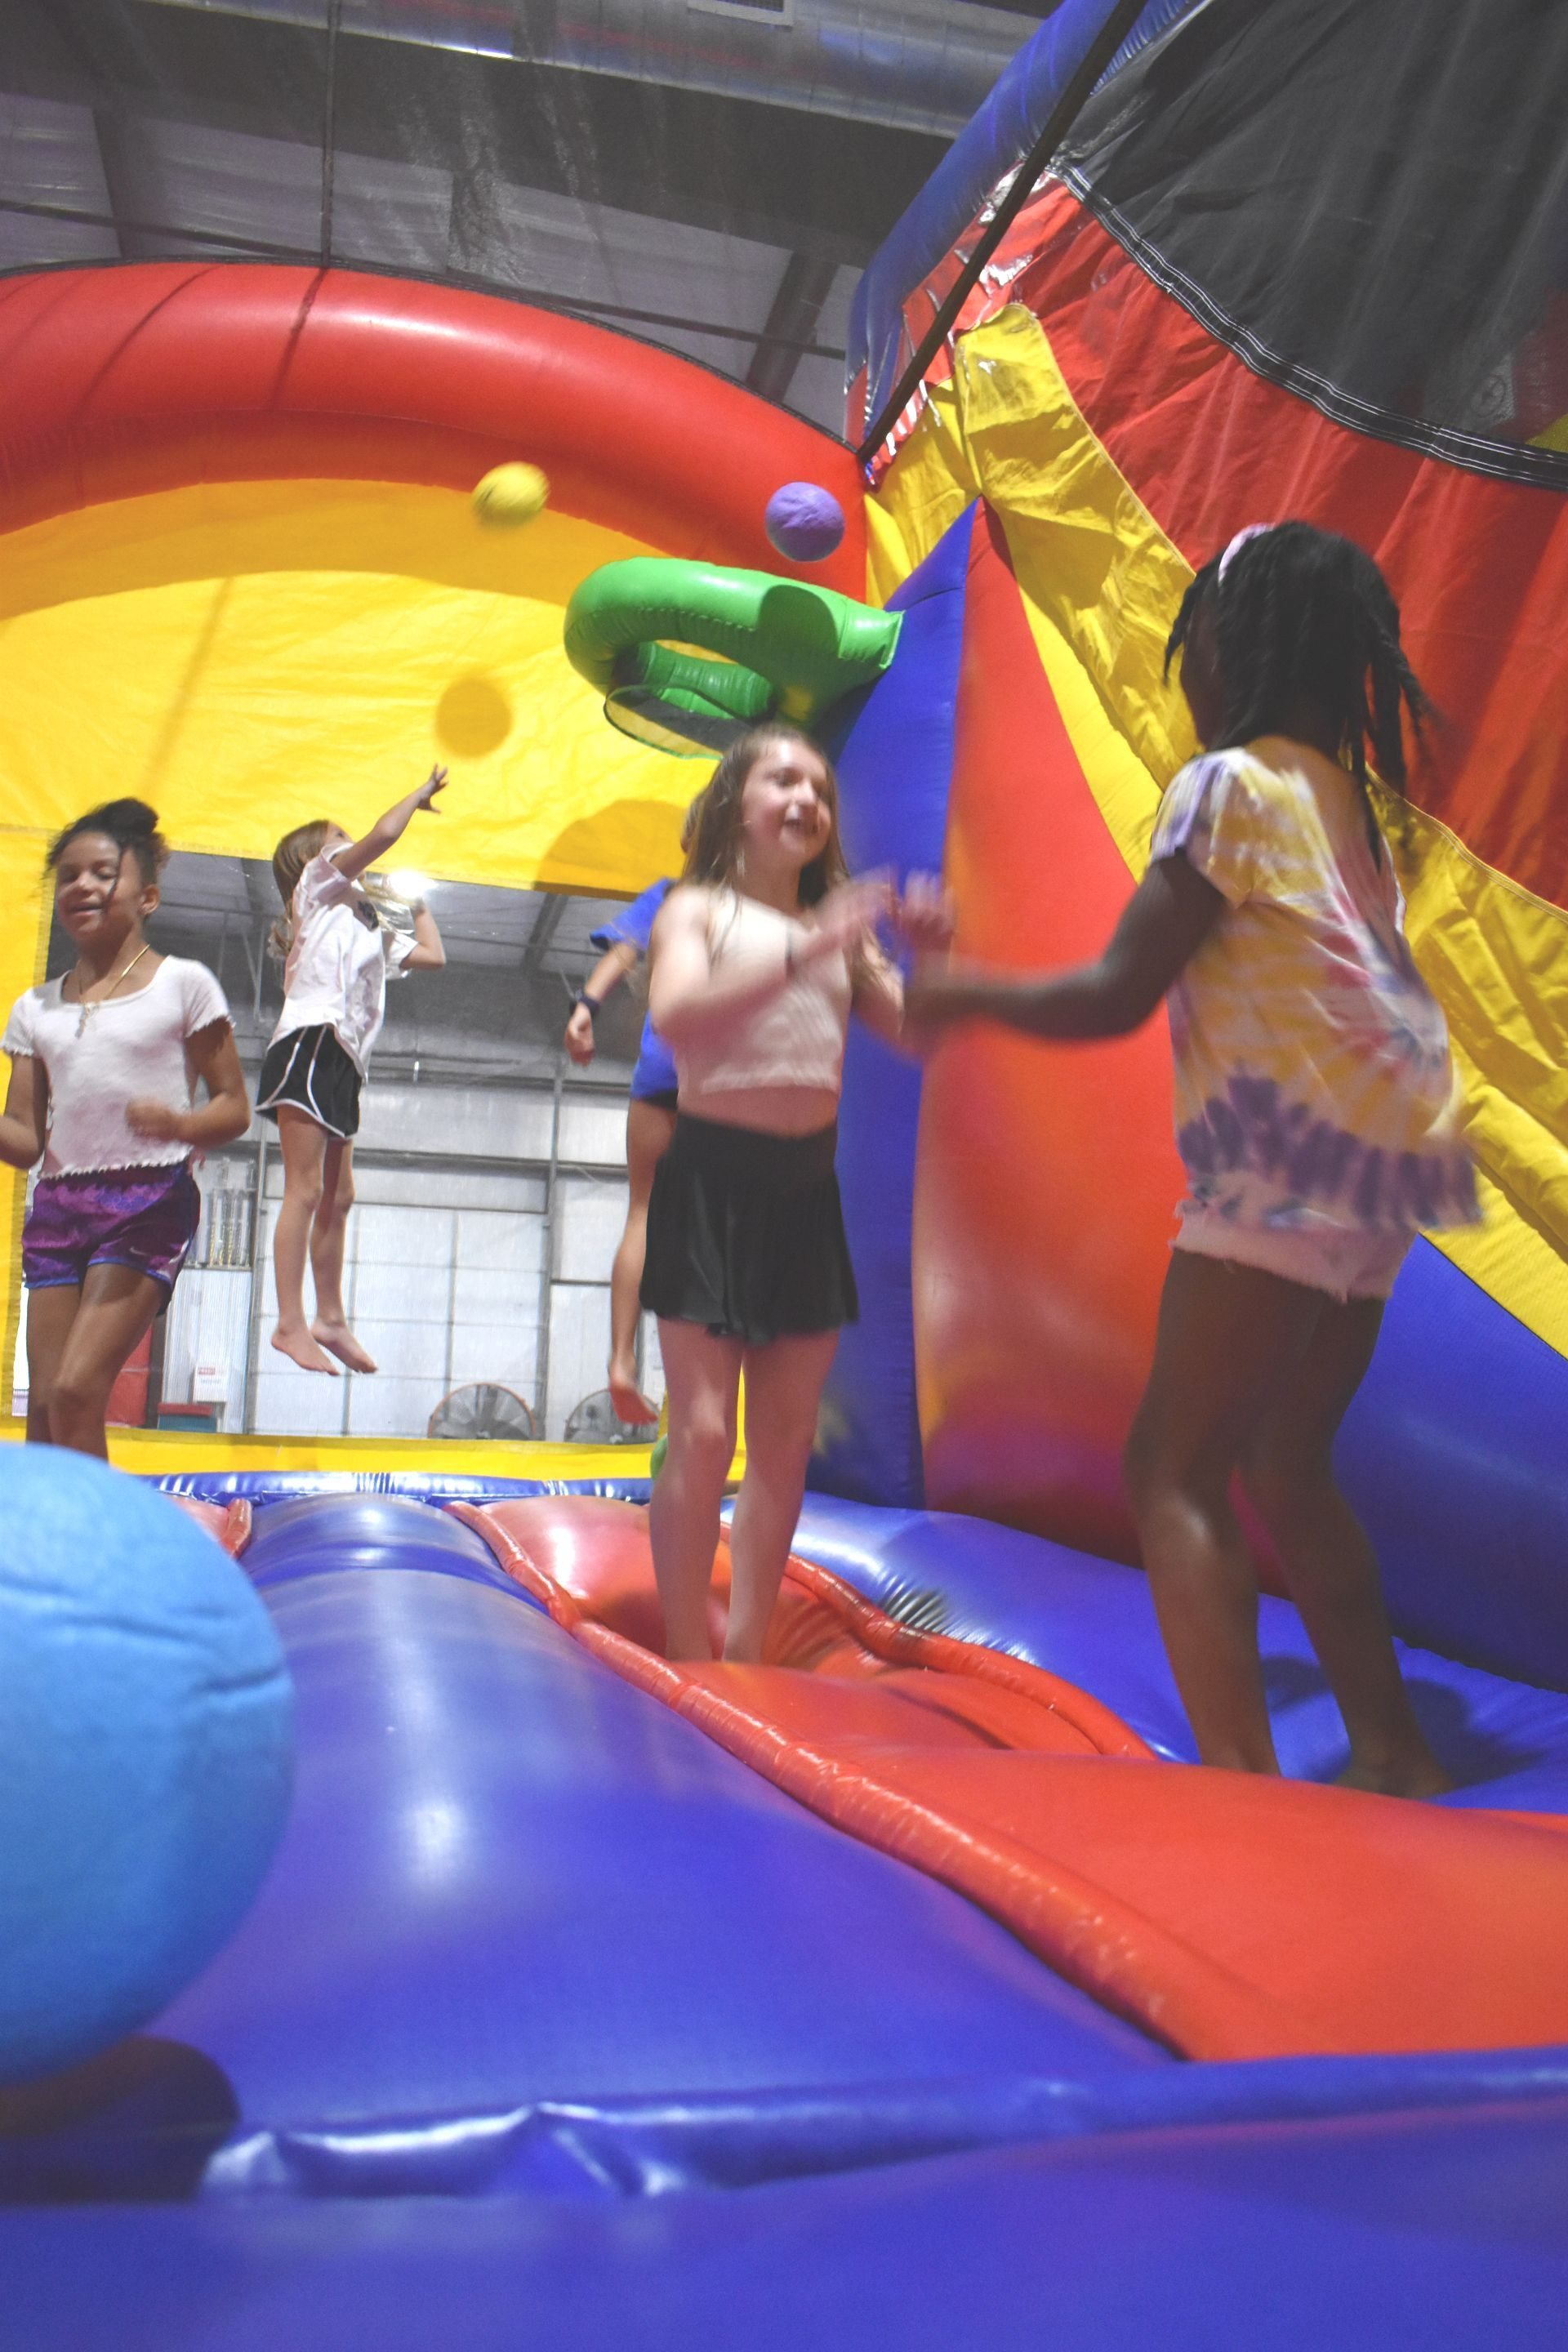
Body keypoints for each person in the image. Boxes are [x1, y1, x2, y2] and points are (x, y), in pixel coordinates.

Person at [910, 522, 1477, 1797]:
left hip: (1289, 1149)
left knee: (1170, 1463)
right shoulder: (1346, 807)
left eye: (1193, 645)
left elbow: (1118, 992)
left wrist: (962, 995)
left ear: (1238, 650)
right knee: (1287, 1459)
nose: (1188, 674)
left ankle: (1238, 1788)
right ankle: (1392, 1746)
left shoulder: (1225, 786)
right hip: (1386, 1169)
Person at [641, 722, 947, 1664]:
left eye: (821, 788)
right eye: (786, 781)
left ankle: (746, 1646)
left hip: (803, 1193)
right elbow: (677, 1015)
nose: (810, 801)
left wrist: (925, 954)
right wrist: (810, 942)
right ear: (738, 798)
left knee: (784, 1442)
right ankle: (686, 1642)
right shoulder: (697, 910)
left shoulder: (843, 941)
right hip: (711, 1182)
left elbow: (919, 1034)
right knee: (700, 1433)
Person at [0, 798, 250, 1457]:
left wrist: (178, 1121)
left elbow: (234, 1106)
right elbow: (24, 1140)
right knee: (48, 1416)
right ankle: (49, 1552)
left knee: (80, 1390)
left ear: (148, 895)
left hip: (147, 1200)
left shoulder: (183, 986)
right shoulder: (35, 1008)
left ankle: (105, 1556)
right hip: (57, 1207)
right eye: (69, 875)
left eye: (103, 872)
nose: (82, 885)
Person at [259, 769, 448, 1375]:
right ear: (313, 858)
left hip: (343, 1059)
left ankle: (330, 1317)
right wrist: (415, 797)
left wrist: (415, 903)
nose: (349, 849)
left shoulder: (364, 917)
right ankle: (290, 1323)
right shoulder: (315, 890)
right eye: (337, 841)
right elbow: (382, 836)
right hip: (309, 1041)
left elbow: (433, 957)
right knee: (306, 1190)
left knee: (339, 1196)